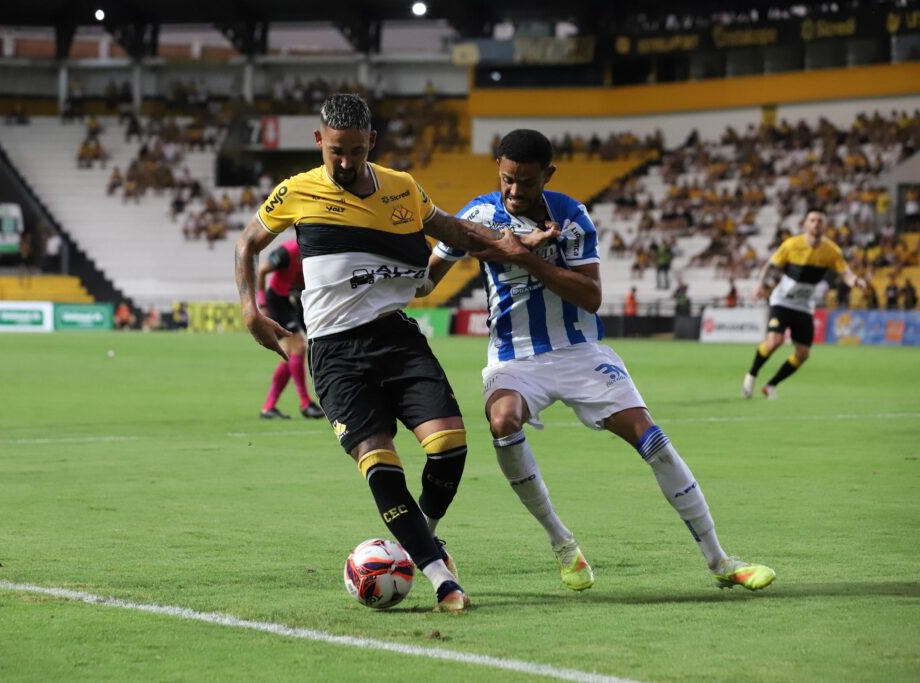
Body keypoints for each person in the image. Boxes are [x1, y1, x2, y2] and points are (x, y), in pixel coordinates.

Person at [235, 94, 550, 613]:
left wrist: (516, 244)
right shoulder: (295, 191)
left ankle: (419, 538)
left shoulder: (402, 188)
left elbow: (456, 232)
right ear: (319, 141)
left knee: (450, 446)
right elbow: (247, 244)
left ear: (371, 144)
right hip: (335, 353)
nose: (344, 161)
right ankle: (438, 575)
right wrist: (249, 309)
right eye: (336, 150)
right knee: (380, 463)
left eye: (355, 151)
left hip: (397, 338)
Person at [426, 128, 775, 593]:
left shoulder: (571, 217)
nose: (514, 190)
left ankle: (720, 560)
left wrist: (527, 258)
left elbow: (591, 297)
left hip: (580, 353)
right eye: (508, 178)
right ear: (498, 169)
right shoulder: (477, 214)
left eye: (526, 181)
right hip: (514, 358)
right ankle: (564, 545)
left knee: (652, 438)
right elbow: (427, 281)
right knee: (503, 421)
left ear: (548, 175)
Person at [743, 209, 867, 399]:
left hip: (804, 306)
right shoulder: (792, 245)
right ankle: (751, 375)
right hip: (783, 301)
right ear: (805, 224)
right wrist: (759, 284)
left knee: (803, 353)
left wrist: (856, 281)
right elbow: (770, 265)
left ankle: (771, 386)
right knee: (774, 342)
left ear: (824, 225)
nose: (816, 223)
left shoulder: (831, 251)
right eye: (812, 220)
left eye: (820, 220)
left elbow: (846, 273)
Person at [255, 239, 325, 420]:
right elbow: (262, 271)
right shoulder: (287, 251)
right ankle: (305, 402)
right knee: (299, 347)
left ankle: (268, 408)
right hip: (277, 302)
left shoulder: (319, 248)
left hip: (296, 301)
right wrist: (262, 304)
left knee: (289, 356)